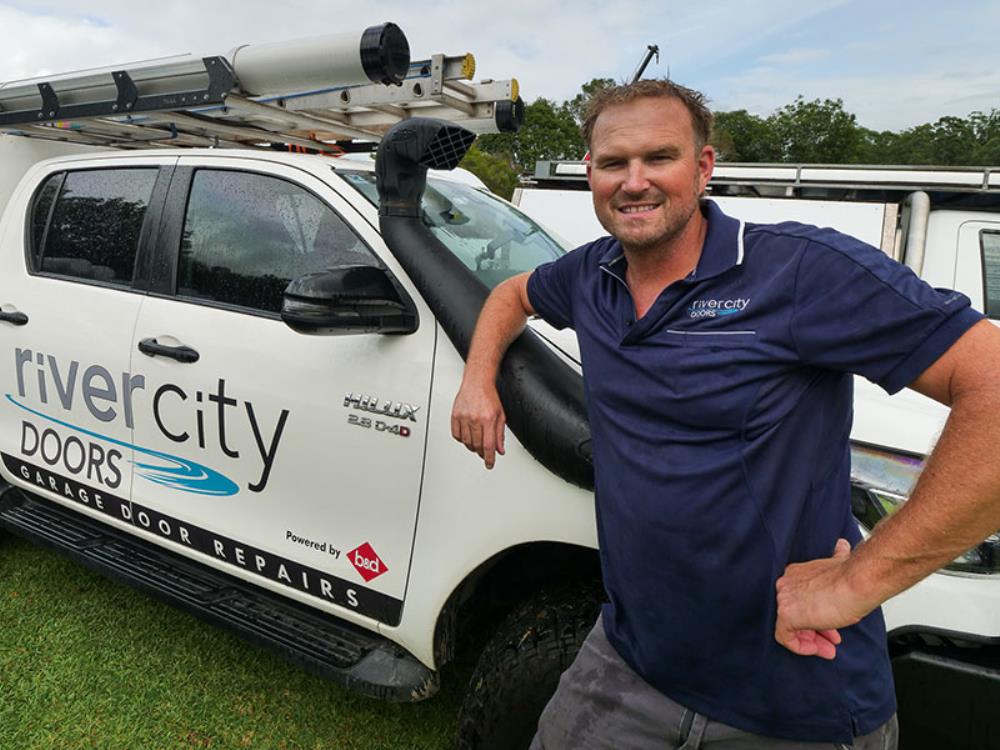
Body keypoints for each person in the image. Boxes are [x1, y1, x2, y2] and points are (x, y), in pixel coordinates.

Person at [450, 79, 1000, 749]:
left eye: (659, 157)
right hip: (631, 662)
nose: (635, 181)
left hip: (795, 698)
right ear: (589, 171)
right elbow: (511, 294)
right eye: (615, 163)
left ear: (703, 167)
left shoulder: (798, 271)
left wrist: (861, 579)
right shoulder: (590, 275)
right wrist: (478, 381)